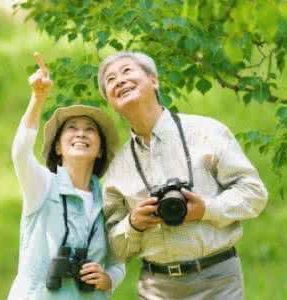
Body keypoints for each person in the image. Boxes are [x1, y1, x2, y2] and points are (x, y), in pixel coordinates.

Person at [97, 51, 268, 300]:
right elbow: (113, 247)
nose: (120, 81)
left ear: (154, 81)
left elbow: (254, 193)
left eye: (127, 71)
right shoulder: (116, 168)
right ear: (111, 101)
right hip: (155, 288)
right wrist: (133, 223)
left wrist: (206, 209)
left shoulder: (206, 131)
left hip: (218, 281)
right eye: (110, 80)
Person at [8, 53, 125, 300]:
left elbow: (118, 261)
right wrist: (38, 98)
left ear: (101, 149)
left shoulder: (109, 200)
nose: (81, 134)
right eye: (72, 129)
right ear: (58, 148)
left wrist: (108, 279)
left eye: (90, 130)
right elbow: (20, 153)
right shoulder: (41, 185)